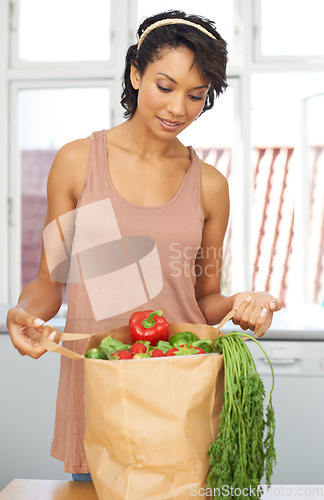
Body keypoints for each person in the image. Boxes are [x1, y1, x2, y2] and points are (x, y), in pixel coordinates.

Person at [6, 10, 281, 481]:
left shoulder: (210, 186)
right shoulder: (78, 164)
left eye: (196, 96)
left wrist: (243, 302)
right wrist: (25, 314)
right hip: (101, 390)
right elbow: (50, 282)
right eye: (165, 86)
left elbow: (204, 301)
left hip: (180, 393)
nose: (178, 108)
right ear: (136, 74)